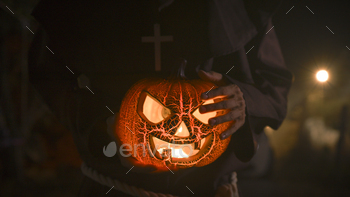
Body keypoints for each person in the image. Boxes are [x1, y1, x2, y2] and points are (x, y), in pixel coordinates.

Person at [28, 0, 293, 196]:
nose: (181, 128)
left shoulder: (244, 9)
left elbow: (275, 86)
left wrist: (241, 100)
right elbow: (49, 76)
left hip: (210, 188)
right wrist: (99, 124)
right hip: (111, 187)